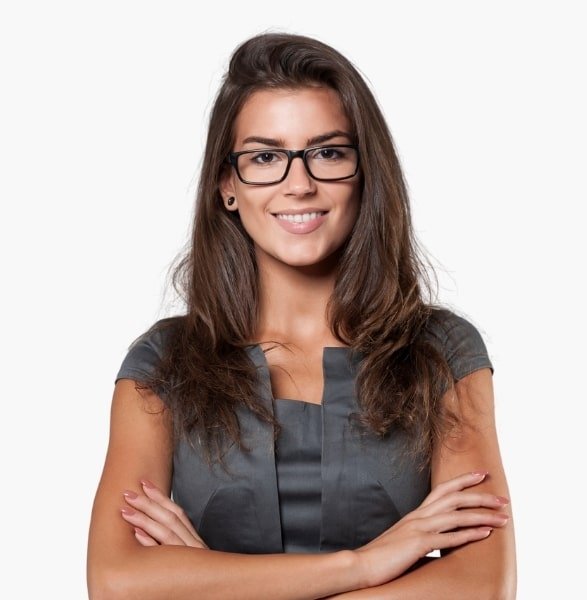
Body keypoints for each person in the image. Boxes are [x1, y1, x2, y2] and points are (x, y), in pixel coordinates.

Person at [87, 32, 516, 599]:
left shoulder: (443, 351)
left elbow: (481, 587)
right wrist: (364, 565)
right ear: (227, 185)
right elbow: (116, 583)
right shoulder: (164, 363)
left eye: (328, 153)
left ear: (365, 173)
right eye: (265, 157)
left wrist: (212, 583)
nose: (299, 184)